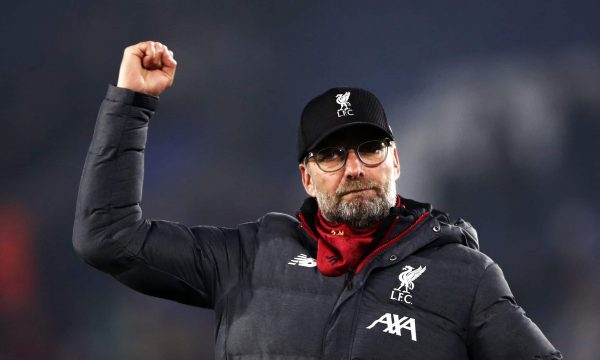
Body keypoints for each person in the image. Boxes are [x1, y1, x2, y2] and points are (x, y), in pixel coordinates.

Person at [73, 41, 562, 360]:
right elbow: (107, 237)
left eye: (369, 149)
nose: (353, 168)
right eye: (330, 155)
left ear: (395, 161)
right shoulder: (249, 256)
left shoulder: (465, 276)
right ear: (306, 177)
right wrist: (130, 104)